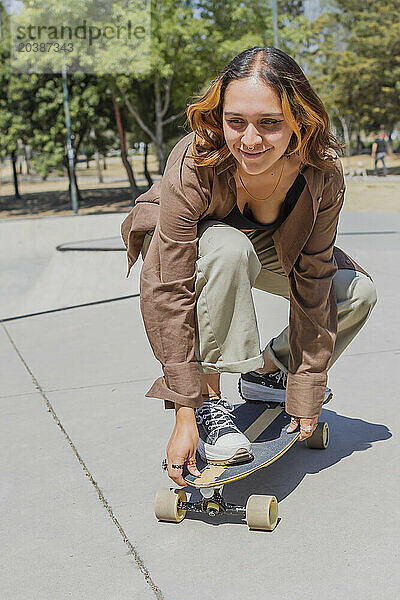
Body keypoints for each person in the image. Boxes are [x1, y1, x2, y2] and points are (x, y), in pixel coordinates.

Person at [121, 46, 377, 487]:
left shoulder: (321, 171)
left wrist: (306, 384)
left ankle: (269, 372)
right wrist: (187, 408)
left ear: (299, 119)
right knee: (227, 249)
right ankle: (211, 405)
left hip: (270, 245)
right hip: (189, 247)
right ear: (219, 116)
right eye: (235, 121)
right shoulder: (196, 159)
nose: (250, 140)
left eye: (270, 123)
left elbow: (314, 275)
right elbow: (169, 286)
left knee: (354, 292)